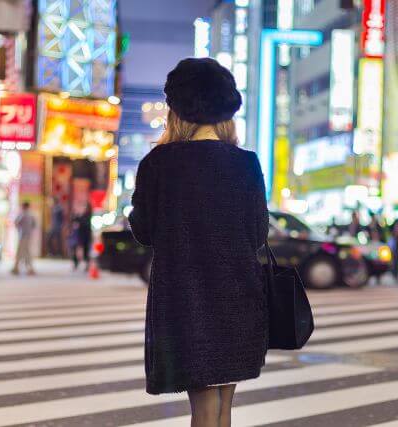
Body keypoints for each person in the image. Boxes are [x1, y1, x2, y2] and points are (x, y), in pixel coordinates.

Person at [128, 58, 269, 426]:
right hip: (239, 298)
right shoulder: (247, 164)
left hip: (185, 300)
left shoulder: (159, 163)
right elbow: (258, 234)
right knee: (223, 407)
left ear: (177, 111)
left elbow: (143, 230)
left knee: (203, 409)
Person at [12, 201, 37, 275]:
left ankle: (18, 268)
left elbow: (16, 222)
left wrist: (19, 229)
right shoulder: (31, 215)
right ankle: (29, 269)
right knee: (27, 252)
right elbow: (34, 225)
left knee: (21, 252)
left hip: (23, 236)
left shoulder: (22, 214)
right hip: (28, 236)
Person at [71, 203, 92, 271]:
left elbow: (85, 224)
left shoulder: (88, 216)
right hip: (79, 236)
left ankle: (86, 264)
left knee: (85, 251)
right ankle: (76, 263)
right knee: (77, 250)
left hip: (86, 236)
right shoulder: (79, 215)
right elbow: (73, 220)